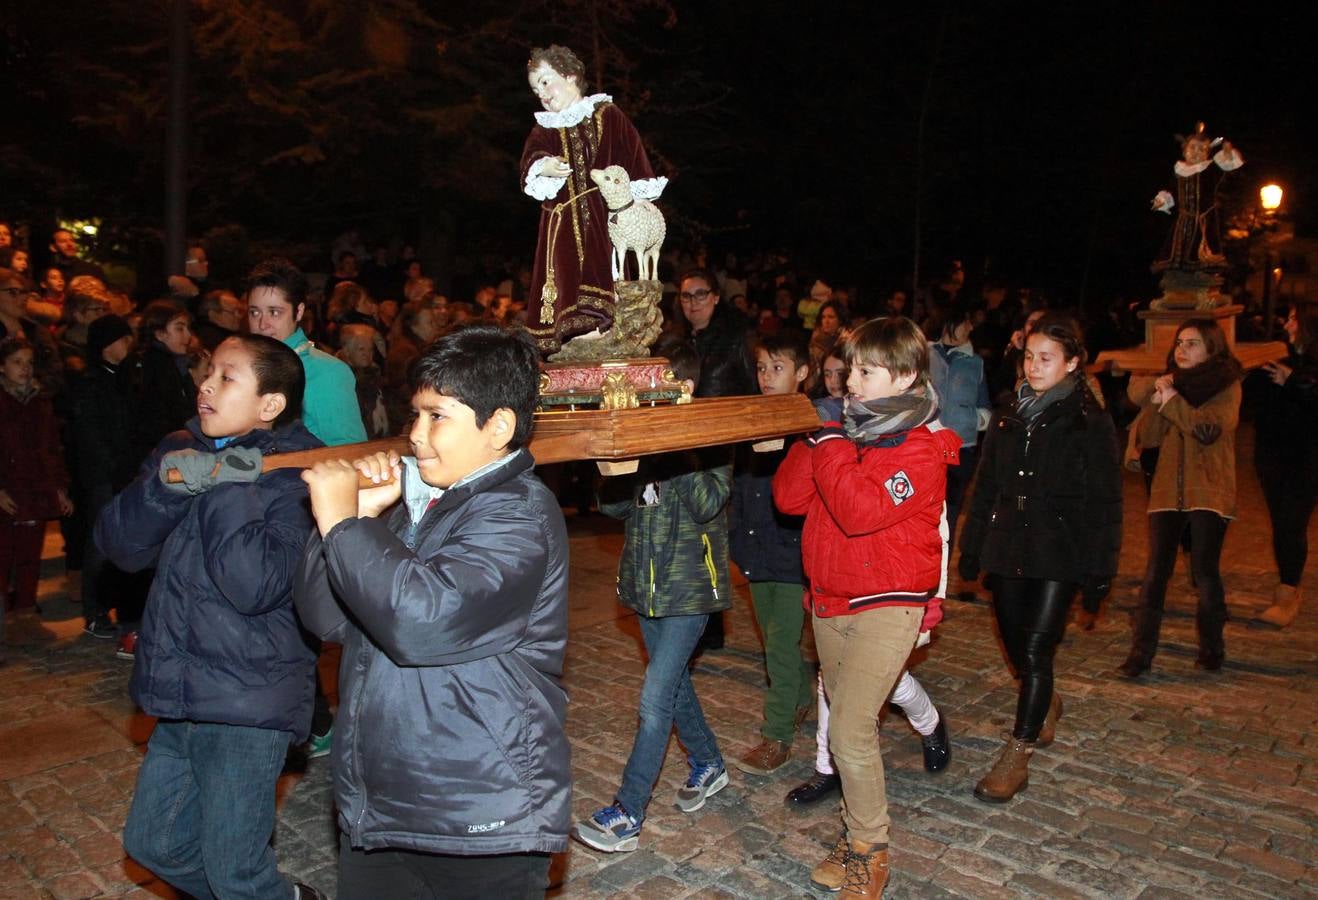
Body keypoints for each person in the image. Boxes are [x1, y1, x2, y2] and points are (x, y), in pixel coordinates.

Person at [294, 325, 570, 898]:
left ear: (499, 426)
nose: (414, 435)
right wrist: (358, 522)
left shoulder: (518, 515)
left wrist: (344, 525)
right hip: (385, 805)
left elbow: (421, 623)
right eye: (413, 415)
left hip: (477, 812)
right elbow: (327, 617)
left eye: (436, 416)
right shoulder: (420, 505)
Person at [95, 333, 325, 900]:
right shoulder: (183, 446)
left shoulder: (301, 470)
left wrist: (229, 483)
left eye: (227, 376)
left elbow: (255, 586)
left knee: (234, 872)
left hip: (248, 699)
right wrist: (169, 487)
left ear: (270, 405)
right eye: (208, 372)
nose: (207, 384)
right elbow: (118, 547)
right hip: (179, 689)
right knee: (154, 845)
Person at [774, 317, 961, 897]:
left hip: (890, 601)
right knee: (844, 734)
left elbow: (859, 512)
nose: (849, 382)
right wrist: (820, 437)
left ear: (904, 375)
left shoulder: (925, 449)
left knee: (850, 732)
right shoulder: (847, 432)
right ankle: (853, 834)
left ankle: (870, 851)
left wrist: (829, 441)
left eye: (864, 371)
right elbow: (790, 498)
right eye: (848, 369)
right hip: (831, 598)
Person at [573, 343, 731, 854]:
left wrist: (676, 447)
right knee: (676, 684)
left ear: (679, 389)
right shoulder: (643, 433)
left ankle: (628, 810)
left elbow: (708, 502)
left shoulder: (712, 438)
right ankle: (708, 763)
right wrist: (613, 464)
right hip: (646, 588)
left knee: (654, 696)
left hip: (689, 591)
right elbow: (616, 507)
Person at [958, 314, 1122, 802]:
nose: (1034, 366)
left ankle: (1018, 751)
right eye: (1029, 356)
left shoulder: (1089, 421)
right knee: (1014, 643)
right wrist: (971, 547)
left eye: (1046, 358)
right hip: (1008, 543)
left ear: (1072, 363)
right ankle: (1044, 697)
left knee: (1036, 650)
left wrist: (1099, 571)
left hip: (1060, 549)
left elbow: (1107, 502)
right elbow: (986, 481)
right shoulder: (1010, 411)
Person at [520, 44, 666, 354]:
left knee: (603, 266)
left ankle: (603, 325)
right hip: (560, 220)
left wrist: (638, 198)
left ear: (570, 74)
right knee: (564, 272)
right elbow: (531, 158)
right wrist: (543, 165)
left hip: (600, 213)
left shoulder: (606, 114)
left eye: (545, 81)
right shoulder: (544, 127)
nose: (541, 93)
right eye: (535, 89)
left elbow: (631, 151)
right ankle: (571, 331)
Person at [1118, 318, 1241, 678]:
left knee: (1204, 571)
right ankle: (1140, 655)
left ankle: (1212, 649)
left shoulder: (1227, 385)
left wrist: (1172, 401)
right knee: (1155, 572)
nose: (1182, 350)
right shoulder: (1173, 384)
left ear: (1211, 348)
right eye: (1180, 343)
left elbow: (1207, 429)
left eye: (1192, 343)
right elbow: (1151, 438)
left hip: (1210, 489)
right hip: (1168, 490)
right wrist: (1157, 401)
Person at [730, 332, 814, 776]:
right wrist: (735, 539)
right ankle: (800, 695)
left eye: (777, 368)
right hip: (755, 549)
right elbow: (741, 484)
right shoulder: (752, 420)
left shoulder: (809, 427)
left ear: (801, 374)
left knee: (780, 644)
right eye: (762, 367)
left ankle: (776, 734)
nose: (766, 376)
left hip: (793, 554)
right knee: (772, 640)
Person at [66, 315, 138, 641]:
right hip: (101, 479)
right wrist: (110, 470)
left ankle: (120, 607)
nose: (129, 345)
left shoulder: (124, 379)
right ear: (108, 344)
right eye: (123, 339)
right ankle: (94, 611)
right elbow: (89, 437)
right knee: (99, 543)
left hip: (125, 474)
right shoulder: (89, 383)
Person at [246, 257, 367, 448]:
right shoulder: (242, 367)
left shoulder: (327, 372)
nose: (262, 324)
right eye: (255, 312)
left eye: (274, 312)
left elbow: (351, 451)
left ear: (299, 311)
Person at [0, 339, 73, 638]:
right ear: (2, 366)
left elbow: (51, 449)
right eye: (17, 362)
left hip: (35, 488)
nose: (24, 368)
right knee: (3, 556)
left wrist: (59, 489)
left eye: (28, 362)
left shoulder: (40, 403)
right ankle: (3, 619)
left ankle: (25, 615)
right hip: (8, 489)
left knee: (30, 555)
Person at [1252, 303, 1318, 627]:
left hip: (1307, 456)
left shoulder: (1308, 365)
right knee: (1281, 522)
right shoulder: (1277, 356)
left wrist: (1292, 381)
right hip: (1272, 454)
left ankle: (1287, 591)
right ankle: (1289, 584)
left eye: (1294, 318)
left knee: (1292, 521)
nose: (1287, 323)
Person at [132, 301, 198, 459]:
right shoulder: (153, 367)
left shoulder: (175, 364)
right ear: (160, 333)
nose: (188, 336)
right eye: (179, 328)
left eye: (187, 328)